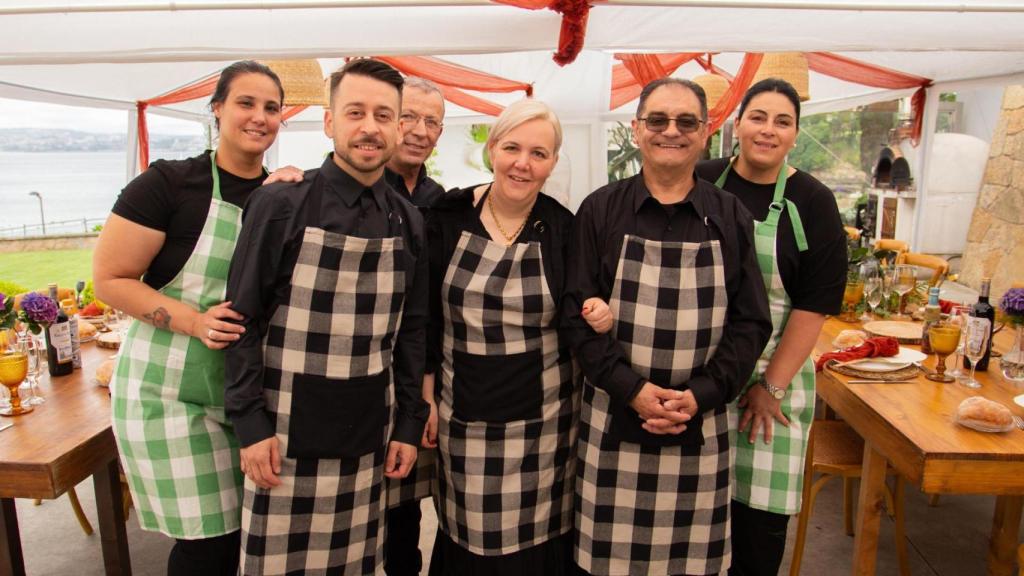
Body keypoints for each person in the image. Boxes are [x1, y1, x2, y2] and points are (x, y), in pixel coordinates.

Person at [223, 58, 429, 575]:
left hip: (369, 435)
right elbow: (241, 320)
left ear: (398, 125)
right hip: (283, 435)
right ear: (329, 121)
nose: (370, 127)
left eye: (384, 115)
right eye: (355, 112)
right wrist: (250, 424)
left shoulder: (408, 219)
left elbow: (411, 330)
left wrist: (408, 423)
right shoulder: (281, 203)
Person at [563, 78, 771, 576]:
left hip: (700, 422)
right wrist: (631, 389)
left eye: (686, 122)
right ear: (636, 130)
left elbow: (751, 322)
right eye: (657, 120)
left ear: (706, 133)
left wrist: (701, 393)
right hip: (613, 421)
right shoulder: (599, 210)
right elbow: (574, 316)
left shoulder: (729, 216)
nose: (670, 131)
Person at [95, 60, 284, 576]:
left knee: (249, 536)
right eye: (245, 103)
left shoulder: (280, 197)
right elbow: (110, 279)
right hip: (167, 396)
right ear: (217, 108)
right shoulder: (169, 184)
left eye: (271, 108)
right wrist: (194, 321)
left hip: (243, 394)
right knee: (208, 544)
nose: (259, 117)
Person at [696, 78, 846, 576]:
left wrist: (771, 387)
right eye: (758, 117)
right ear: (737, 124)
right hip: (700, 376)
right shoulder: (701, 180)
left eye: (782, 121)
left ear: (796, 134)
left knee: (757, 527)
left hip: (771, 381)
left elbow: (813, 306)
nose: (768, 130)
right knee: (695, 519)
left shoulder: (812, 200)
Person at [426, 98, 577, 575]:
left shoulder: (564, 229)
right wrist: (426, 395)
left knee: (537, 548)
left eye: (539, 153)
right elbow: (425, 318)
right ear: (491, 148)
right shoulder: (446, 218)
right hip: (463, 422)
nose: (523, 163)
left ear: (552, 163)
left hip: (546, 428)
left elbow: (576, 322)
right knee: (469, 543)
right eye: (512, 147)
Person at [382, 75, 446, 576]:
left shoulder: (437, 197)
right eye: (409, 116)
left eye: (432, 121)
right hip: (357, 367)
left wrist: (426, 391)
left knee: (405, 507)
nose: (419, 130)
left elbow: (431, 305)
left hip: (415, 367)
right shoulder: (358, 182)